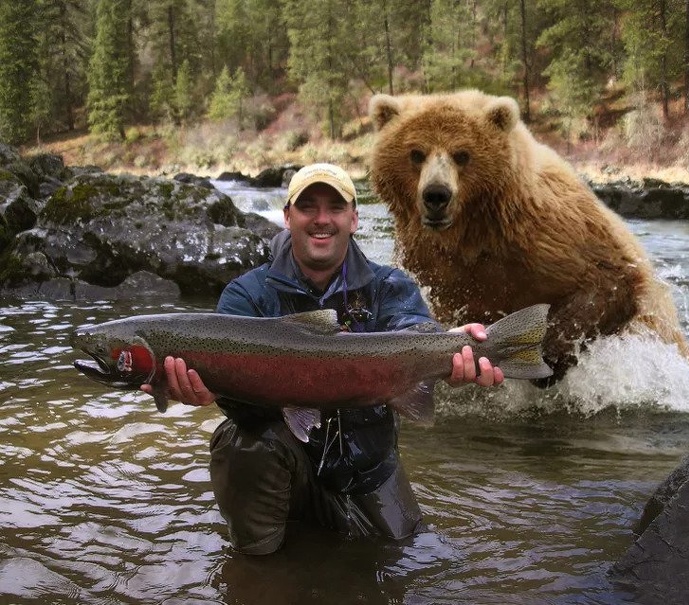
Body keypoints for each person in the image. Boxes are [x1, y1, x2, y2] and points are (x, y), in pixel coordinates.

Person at [141, 163, 504, 555]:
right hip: (287, 464)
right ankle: (259, 562)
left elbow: (412, 330)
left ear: (354, 219)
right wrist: (211, 392)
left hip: (369, 469)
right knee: (239, 443)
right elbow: (243, 406)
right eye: (307, 206)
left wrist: (450, 348)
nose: (321, 219)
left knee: (411, 555)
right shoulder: (246, 296)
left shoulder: (390, 286)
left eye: (334, 207)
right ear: (287, 217)